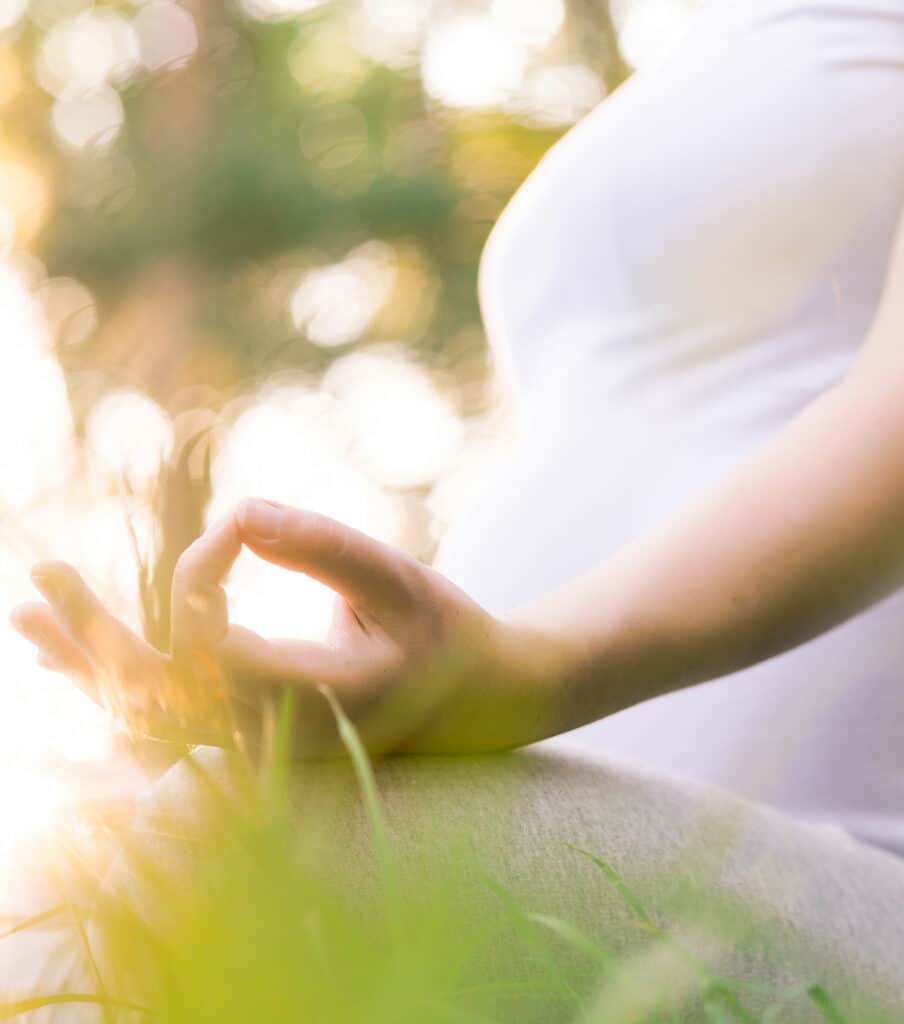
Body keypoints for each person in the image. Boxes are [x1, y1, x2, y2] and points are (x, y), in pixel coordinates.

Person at [9, 0, 904, 863]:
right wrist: (338, 700)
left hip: (826, 850)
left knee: (197, 863)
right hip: (581, 833)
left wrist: (528, 676)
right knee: (90, 864)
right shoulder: (704, 50)